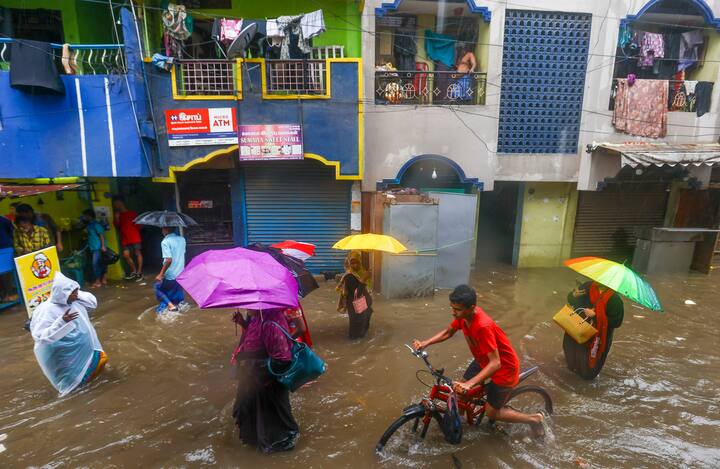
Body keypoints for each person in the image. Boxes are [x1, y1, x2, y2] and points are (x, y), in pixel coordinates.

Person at [412, 285, 544, 435]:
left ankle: (535, 419)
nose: (453, 312)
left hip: (504, 369)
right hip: (483, 360)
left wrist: (469, 384)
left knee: (491, 413)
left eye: (457, 309)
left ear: (472, 308)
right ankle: (460, 424)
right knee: (460, 394)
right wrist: (425, 343)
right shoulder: (463, 317)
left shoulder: (482, 326)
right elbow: (449, 332)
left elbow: (496, 363)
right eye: (452, 308)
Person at [231, 309, 299, 453]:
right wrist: (243, 322)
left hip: (266, 380)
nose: (247, 308)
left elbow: (283, 359)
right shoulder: (259, 318)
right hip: (255, 376)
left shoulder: (270, 324)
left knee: (274, 426)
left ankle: (280, 445)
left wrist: (257, 370)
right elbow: (255, 338)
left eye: (250, 305)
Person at [29, 272, 107, 396]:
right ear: (63, 293)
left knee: (99, 369)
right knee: (77, 388)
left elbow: (92, 303)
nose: (76, 295)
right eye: (73, 293)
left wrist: (74, 292)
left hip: (88, 350)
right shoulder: (47, 310)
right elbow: (40, 337)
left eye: (77, 291)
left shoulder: (74, 301)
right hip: (66, 356)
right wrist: (61, 322)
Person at [563, 281, 624, 380]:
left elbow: (616, 322)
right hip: (577, 327)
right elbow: (573, 302)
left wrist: (596, 316)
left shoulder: (615, 300)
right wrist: (573, 295)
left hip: (597, 336)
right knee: (571, 357)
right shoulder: (587, 287)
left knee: (588, 370)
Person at [336, 250, 373, 339]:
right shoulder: (349, 276)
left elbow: (366, 289)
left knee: (363, 327)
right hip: (355, 307)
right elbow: (356, 293)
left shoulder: (360, 272)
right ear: (349, 263)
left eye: (357, 262)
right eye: (352, 263)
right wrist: (364, 279)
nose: (355, 265)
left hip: (362, 305)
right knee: (356, 331)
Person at [154, 226, 186, 313]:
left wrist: (161, 274)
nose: (162, 230)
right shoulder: (182, 239)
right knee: (177, 292)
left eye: (163, 228)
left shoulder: (165, 241)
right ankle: (178, 305)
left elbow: (168, 260)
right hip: (181, 273)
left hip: (171, 274)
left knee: (157, 288)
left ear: (166, 229)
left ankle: (171, 306)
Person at [112, 195, 143, 280]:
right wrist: (117, 218)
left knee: (138, 254)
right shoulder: (117, 215)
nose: (115, 205)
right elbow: (117, 226)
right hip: (125, 238)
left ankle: (139, 273)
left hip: (135, 237)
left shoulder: (132, 213)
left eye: (116, 203)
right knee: (126, 255)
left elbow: (139, 225)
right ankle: (134, 271)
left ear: (120, 203)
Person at [82, 209, 107, 288]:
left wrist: (103, 246)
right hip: (93, 247)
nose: (84, 217)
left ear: (89, 216)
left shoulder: (96, 224)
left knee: (95, 264)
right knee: (100, 263)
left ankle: (98, 281)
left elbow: (101, 236)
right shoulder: (89, 225)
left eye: (85, 216)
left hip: (98, 247)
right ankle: (102, 279)